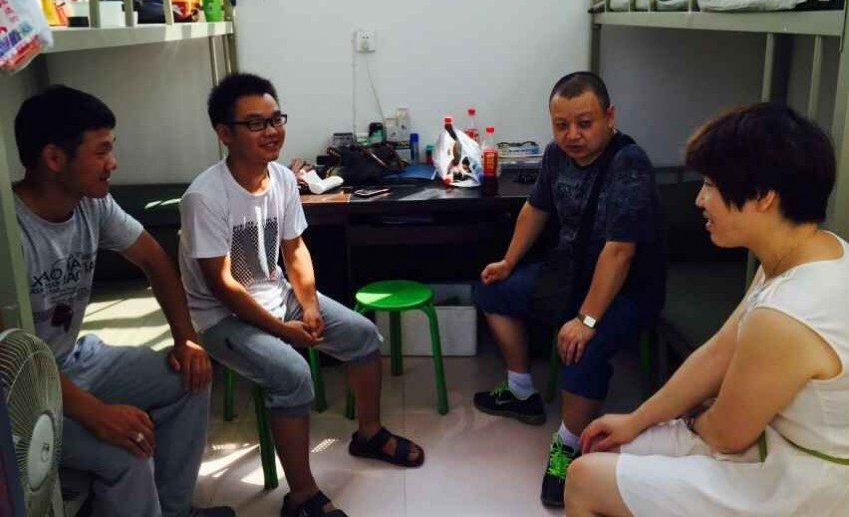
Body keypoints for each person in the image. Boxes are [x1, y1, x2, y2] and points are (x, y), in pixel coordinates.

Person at [568, 103, 849, 516]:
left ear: (764, 197)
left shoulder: (787, 315)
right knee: (612, 445)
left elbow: (726, 434)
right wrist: (638, 419)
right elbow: (720, 351)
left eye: (712, 185)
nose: (700, 199)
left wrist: (689, 419)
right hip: (775, 443)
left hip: (804, 483)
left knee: (583, 478)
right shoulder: (808, 252)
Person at [179, 73, 425, 517]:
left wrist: (308, 305)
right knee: (293, 375)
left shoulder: (282, 179)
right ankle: (301, 496)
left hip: (277, 294)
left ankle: (369, 434)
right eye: (255, 123)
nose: (271, 131)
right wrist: (282, 330)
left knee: (362, 335)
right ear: (225, 133)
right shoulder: (205, 197)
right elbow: (222, 285)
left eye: (276, 119)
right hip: (221, 318)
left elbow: (294, 250)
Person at [12, 86, 233, 517]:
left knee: (192, 378)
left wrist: (186, 339)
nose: (113, 163)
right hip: (20, 396)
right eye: (101, 152)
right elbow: (13, 362)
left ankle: (172, 510)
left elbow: (154, 260)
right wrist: (96, 414)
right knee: (129, 453)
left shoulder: (92, 204)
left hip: (73, 362)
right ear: (54, 158)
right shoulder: (11, 232)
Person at [472, 71, 666, 507]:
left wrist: (586, 319)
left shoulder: (628, 164)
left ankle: (568, 444)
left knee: (582, 347)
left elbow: (620, 252)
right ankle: (521, 390)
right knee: (491, 291)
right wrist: (508, 262)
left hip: (628, 289)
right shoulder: (555, 156)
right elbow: (535, 210)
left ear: (610, 117)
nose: (572, 135)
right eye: (561, 125)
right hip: (569, 274)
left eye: (584, 123)